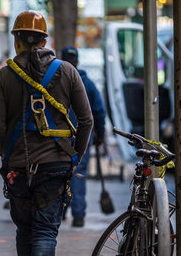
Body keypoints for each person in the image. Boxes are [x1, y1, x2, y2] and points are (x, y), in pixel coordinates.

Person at [0, 10, 93, 256]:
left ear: (16, 40)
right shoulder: (67, 71)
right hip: (56, 164)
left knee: (25, 230)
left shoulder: (5, 76)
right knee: (45, 231)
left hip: (19, 166)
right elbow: (87, 120)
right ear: (45, 41)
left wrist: (7, 153)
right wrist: (75, 157)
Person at [61, 46, 106, 227]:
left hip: (60, 138)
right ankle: (78, 216)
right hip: (82, 137)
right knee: (78, 174)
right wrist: (100, 135)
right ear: (78, 61)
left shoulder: (57, 81)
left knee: (60, 172)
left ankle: (62, 210)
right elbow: (99, 112)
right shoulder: (88, 83)